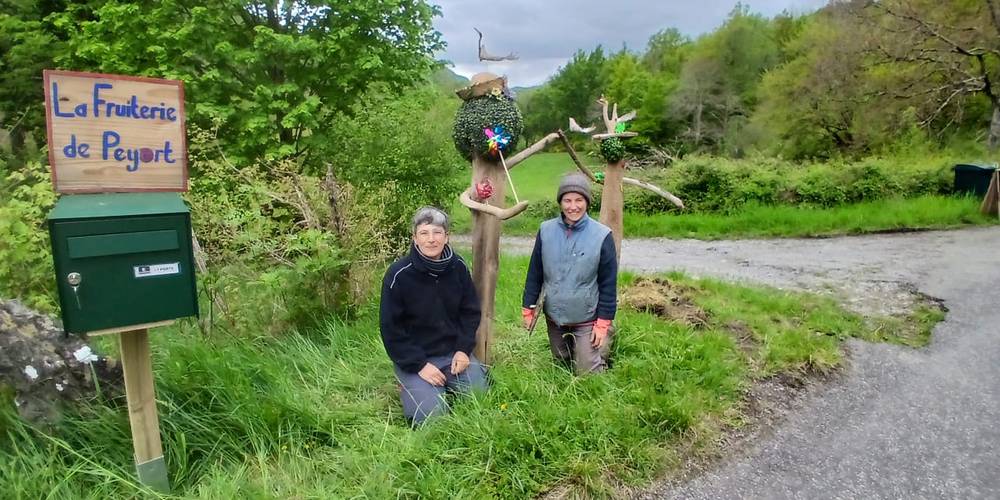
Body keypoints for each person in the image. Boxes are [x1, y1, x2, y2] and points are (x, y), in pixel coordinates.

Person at [380, 206, 488, 424]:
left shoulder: (457, 267)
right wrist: (418, 365)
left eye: (437, 232)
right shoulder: (398, 275)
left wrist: (463, 350)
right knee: (433, 419)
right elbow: (391, 330)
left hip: (452, 354)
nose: (431, 239)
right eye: (424, 233)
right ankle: (412, 385)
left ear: (447, 237)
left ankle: (448, 382)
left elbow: (470, 312)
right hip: (415, 358)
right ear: (415, 238)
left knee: (481, 400)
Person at [521, 173, 618, 375]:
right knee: (561, 362)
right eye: (567, 200)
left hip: (587, 316)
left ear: (587, 202)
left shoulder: (602, 235)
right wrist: (528, 308)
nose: (573, 206)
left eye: (579, 200)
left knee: (587, 374)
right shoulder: (546, 230)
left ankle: (606, 339)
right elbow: (535, 272)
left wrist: (602, 323)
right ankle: (577, 349)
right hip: (555, 315)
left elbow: (608, 284)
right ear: (560, 202)